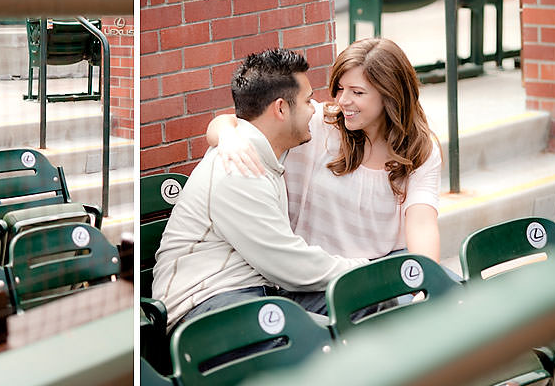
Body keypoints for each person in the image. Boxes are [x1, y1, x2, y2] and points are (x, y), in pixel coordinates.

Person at [152, 48, 369, 332]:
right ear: (280, 108)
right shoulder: (239, 168)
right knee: (311, 339)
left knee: (366, 302)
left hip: (258, 292)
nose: (314, 107)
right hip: (206, 305)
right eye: (307, 100)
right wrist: (363, 268)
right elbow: (291, 265)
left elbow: (225, 122)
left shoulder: (258, 150)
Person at [208, 38, 442, 264]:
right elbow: (227, 123)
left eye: (357, 92)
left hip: (386, 264)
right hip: (319, 271)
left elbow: (422, 223)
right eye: (340, 89)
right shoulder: (319, 123)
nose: (343, 100)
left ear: (391, 95)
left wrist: (428, 281)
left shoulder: (419, 149)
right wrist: (230, 137)